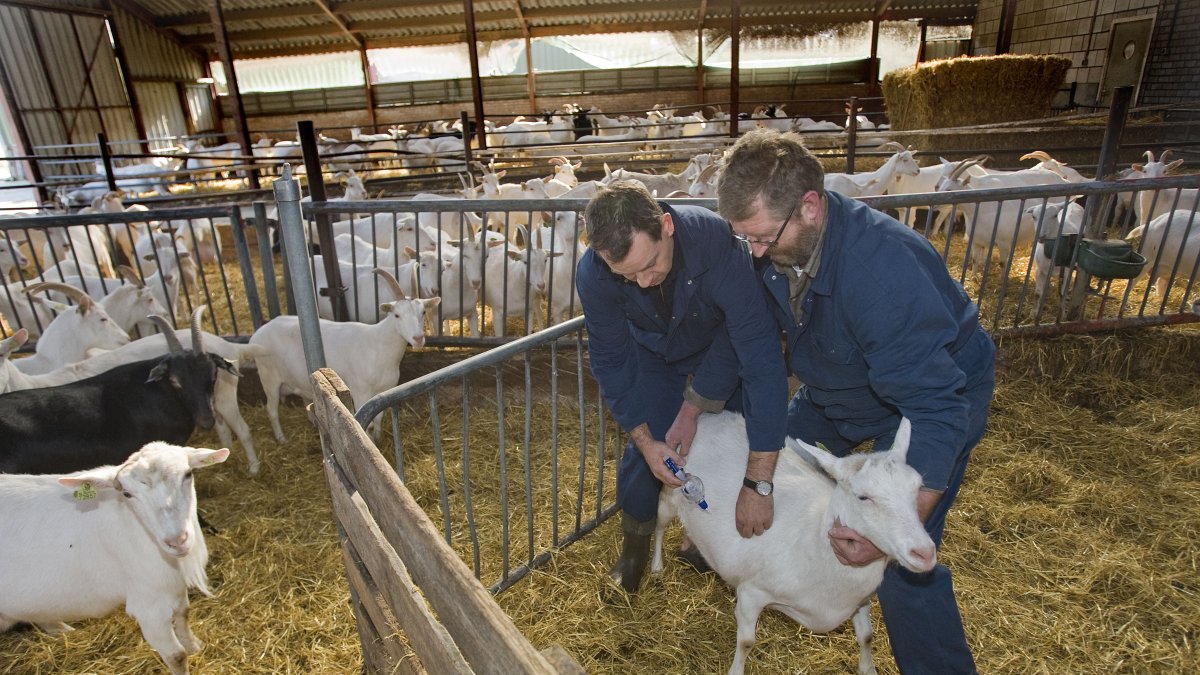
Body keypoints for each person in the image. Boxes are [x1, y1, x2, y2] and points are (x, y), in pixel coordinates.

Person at [716, 128, 994, 674]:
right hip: (843, 380)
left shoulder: (880, 274)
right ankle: (750, 560)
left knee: (901, 562)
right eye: (742, 238)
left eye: (763, 238)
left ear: (811, 207)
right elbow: (748, 341)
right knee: (777, 457)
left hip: (932, 394)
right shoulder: (774, 248)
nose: (753, 251)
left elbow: (936, 406)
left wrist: (887, 532)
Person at [576, 181, 788, 593]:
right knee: (651, 447)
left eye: (650, 263)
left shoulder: (715, 243)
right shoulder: (595, 273)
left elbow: (759, 357)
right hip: (654, 351)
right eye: (627, 275)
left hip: (720, 346)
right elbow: (611, 361)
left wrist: (758, 480)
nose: (642, 282)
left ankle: (711, 542)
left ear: (667, 225)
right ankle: (634, 550)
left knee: (741, 435)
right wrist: (643, 439)